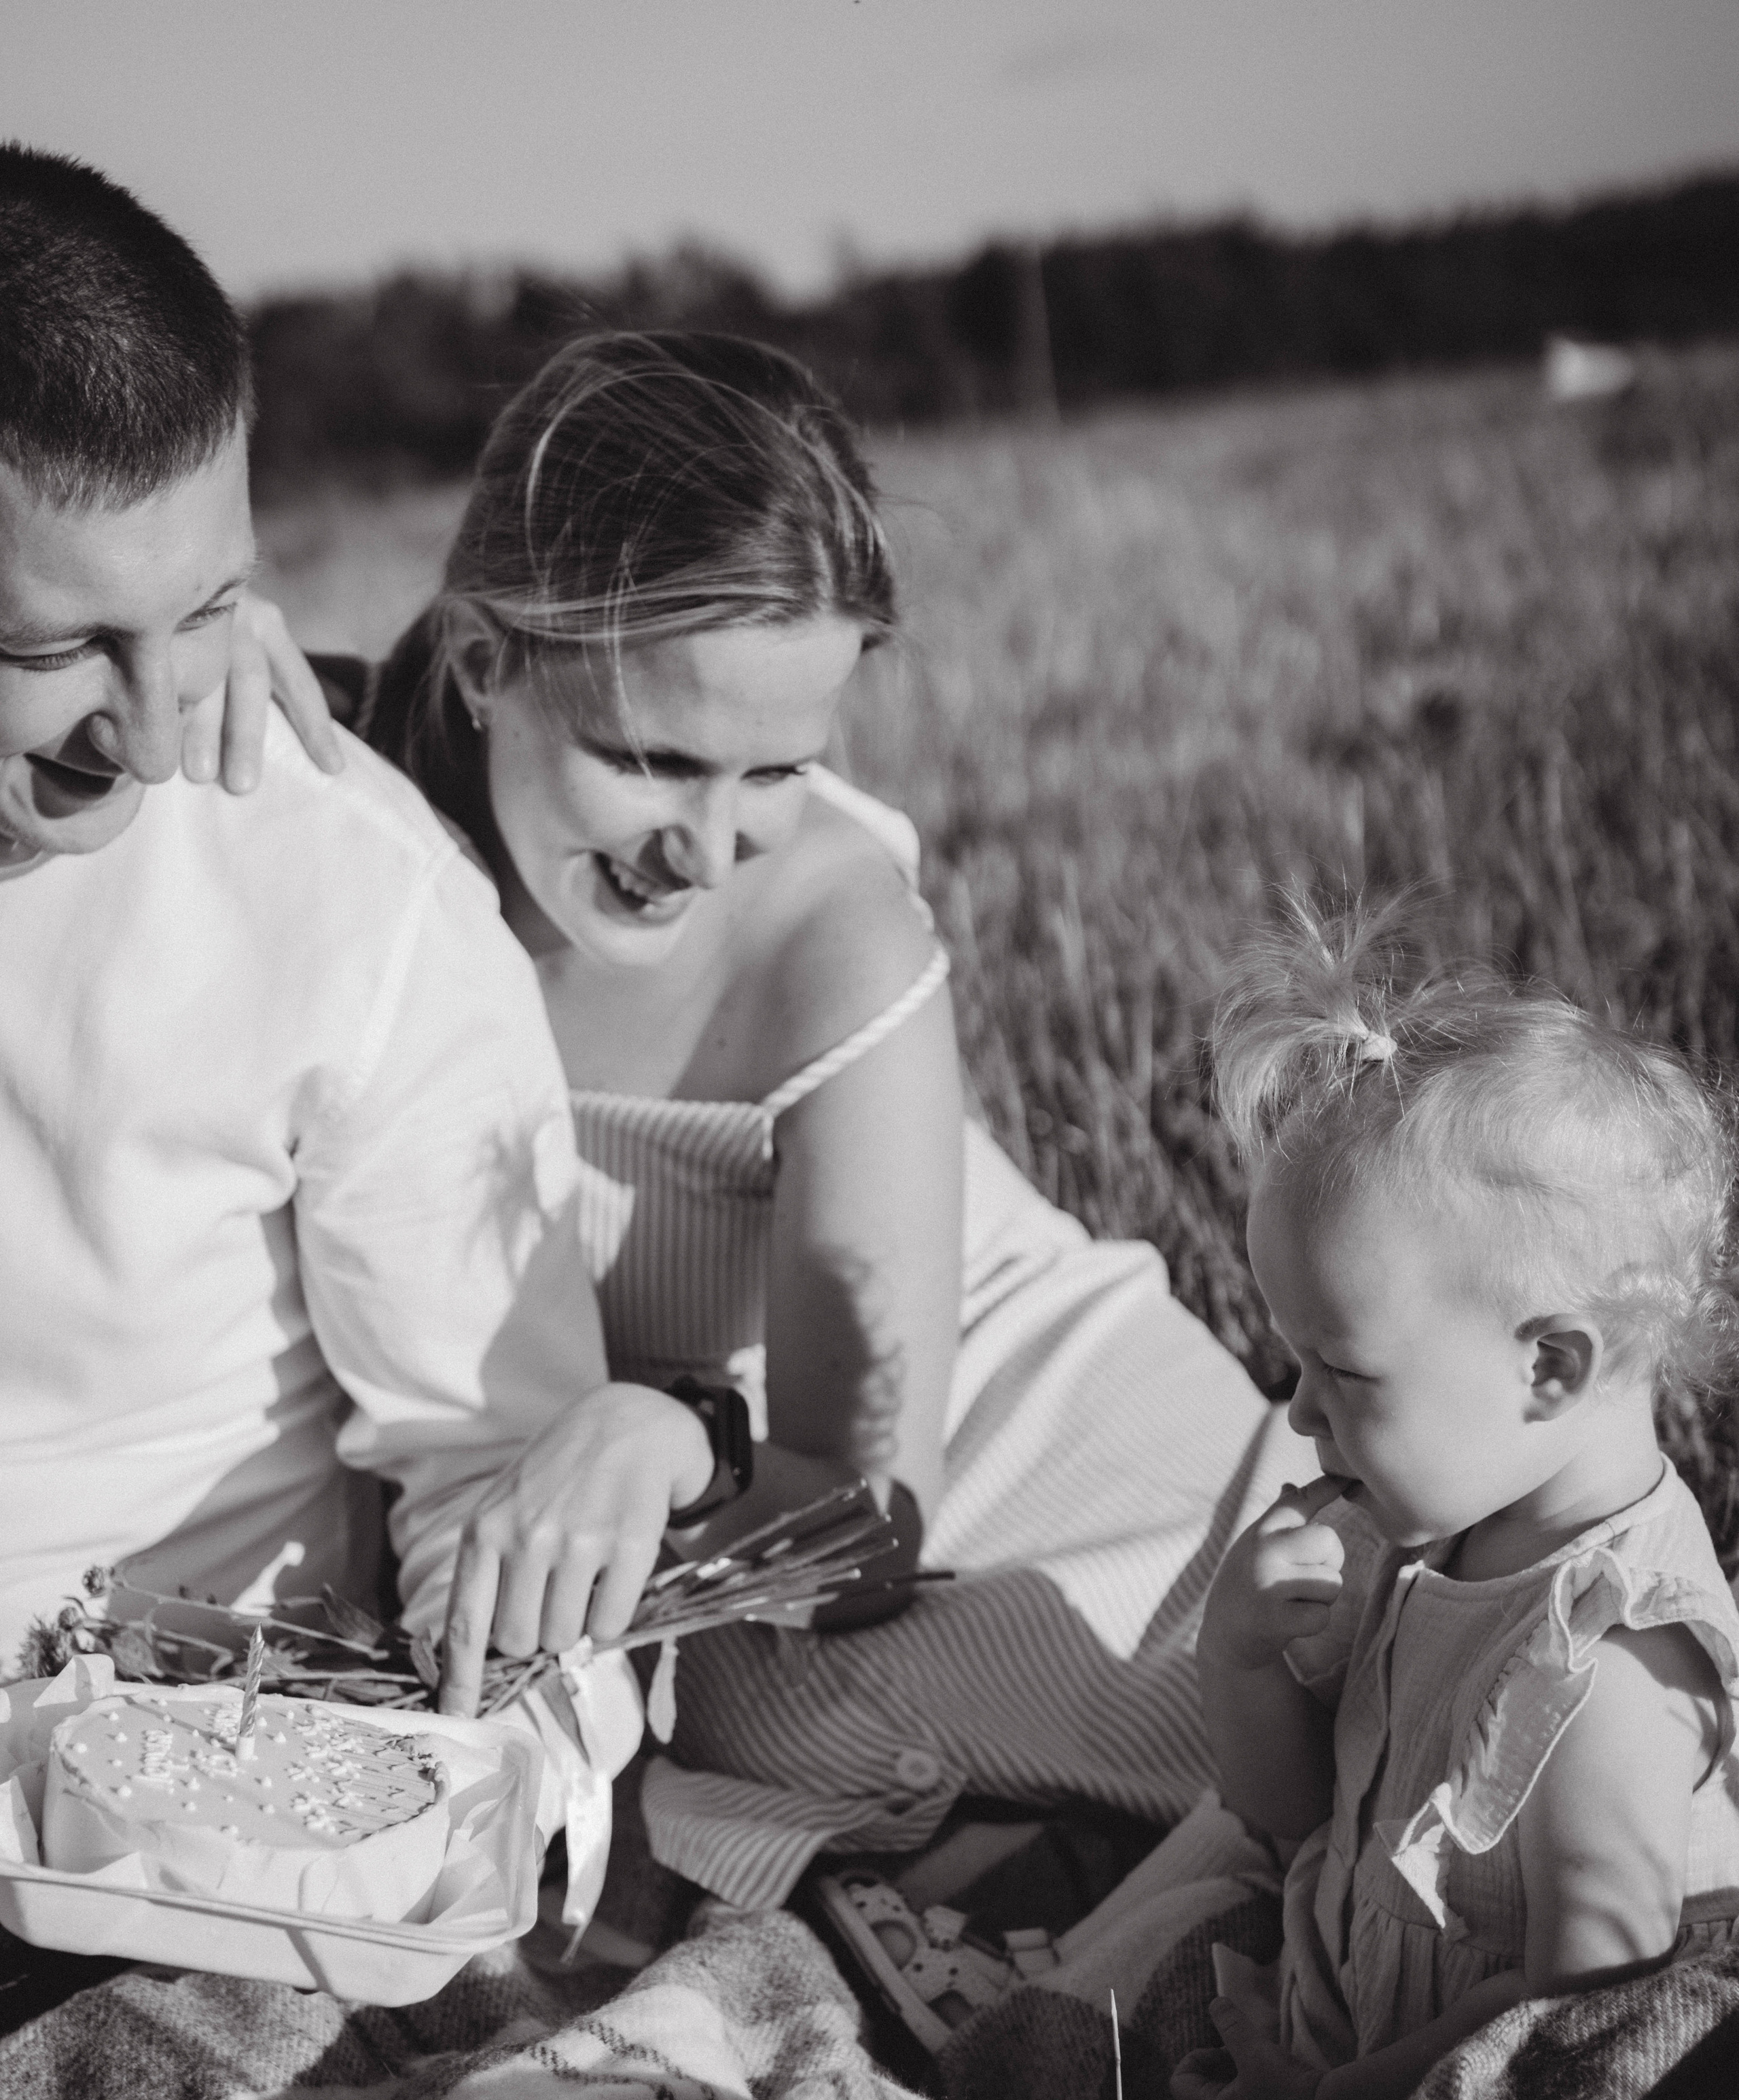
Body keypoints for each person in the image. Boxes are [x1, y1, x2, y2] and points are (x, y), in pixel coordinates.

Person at [313, 327, 1308, 1906]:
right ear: (488, 656)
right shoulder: (355, 814)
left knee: (1357, 1792)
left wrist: (679, 1435)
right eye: (651, 758)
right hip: (728, 1563)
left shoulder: (833, 933)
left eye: (774, 769)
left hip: (1040, 1484)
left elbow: (864, 1524)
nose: (704, 850)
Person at [0, 151, 713, 1719]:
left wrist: (479, 1728)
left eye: (202, 612)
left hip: (160, 1766)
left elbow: (489, 1476)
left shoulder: (349, 891)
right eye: (55, 647)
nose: (150, 729)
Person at [1168, 913, 1739, 2100]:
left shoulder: (1607, 1676)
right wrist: (1243, 1659)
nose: (1299, 1409)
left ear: (1548, 1369)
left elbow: (1582, 2021)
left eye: (1344, 1372)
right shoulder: (1439, 1531)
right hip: (1337, 2036)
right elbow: (1295, 1813)